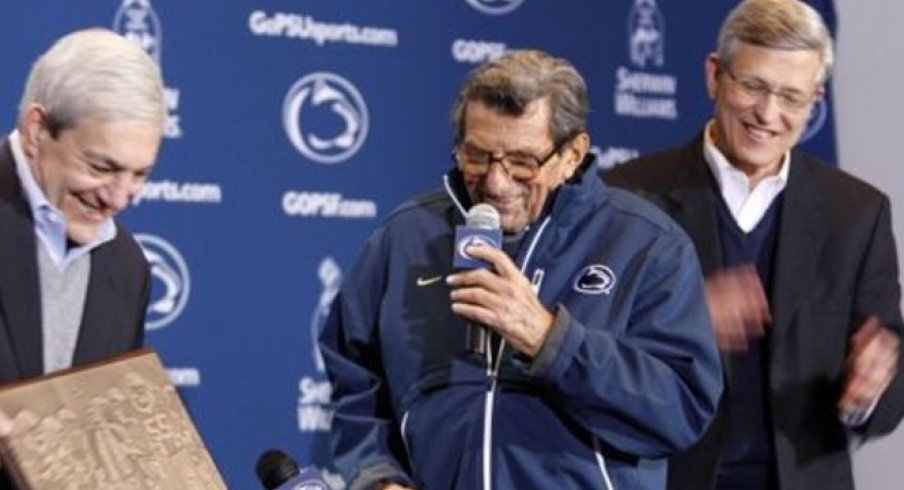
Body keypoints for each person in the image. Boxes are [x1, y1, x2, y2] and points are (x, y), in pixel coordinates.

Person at [319, 50, 723, 490]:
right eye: (476, 155)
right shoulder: (404, 237)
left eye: (521, 162)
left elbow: (680, 409)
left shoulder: (646, 245)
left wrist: (551, 340)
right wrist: (377, 476)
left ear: (572, 154)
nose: (495, 183)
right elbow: (357, 386)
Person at [603, 1, 904, 489]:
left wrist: (867, 390)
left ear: (815, 103)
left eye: (791, 97)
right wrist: (687, 321)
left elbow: (889, 385)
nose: (768, 114)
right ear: (714, 75)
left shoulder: (858, 213)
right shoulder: (627, 197)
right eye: (754, 86)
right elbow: (589, 356)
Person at [0, 27, 165, 486]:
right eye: (101, 167)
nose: (119, 197)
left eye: (140, 174)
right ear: (37, 130)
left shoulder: (128, 266)